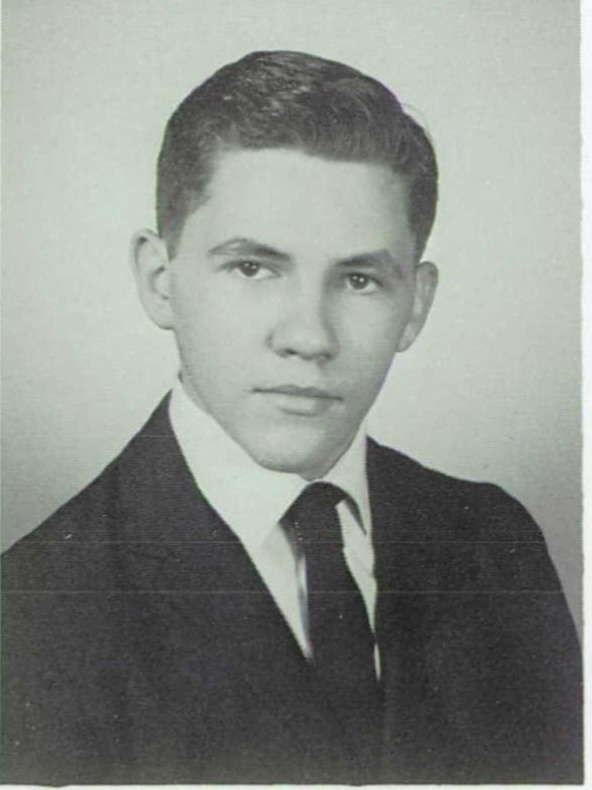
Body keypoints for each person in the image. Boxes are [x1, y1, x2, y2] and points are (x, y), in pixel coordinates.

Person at [1, 50, 581, 785]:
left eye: (361, 279)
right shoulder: (29, 616)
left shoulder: (495, 546)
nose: (309, 335)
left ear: (417, 305)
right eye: (253, 267)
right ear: (159, 281)